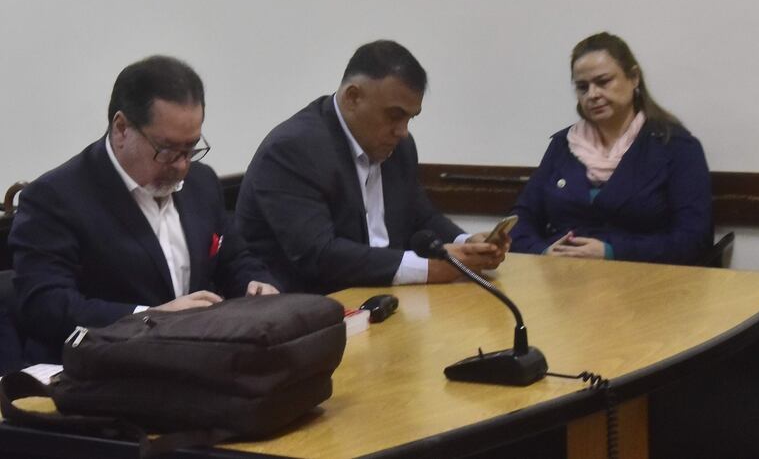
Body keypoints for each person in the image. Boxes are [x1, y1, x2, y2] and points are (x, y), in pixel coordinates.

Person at [9, 56, 278, 361]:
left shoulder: (201, 183)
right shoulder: (55, 198)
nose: (181, 166)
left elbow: (235, 259)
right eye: (167, 150)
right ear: (122, 128)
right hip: (103, 374)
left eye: (191, 149)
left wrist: (255, 285)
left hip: (201, 361)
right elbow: (45, 306)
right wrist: (150, 317)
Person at [235, 40, 509, 293]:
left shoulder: (399, 147)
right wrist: (428, 268)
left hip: (380, 298)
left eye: (410, 118)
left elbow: (421, 218)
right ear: (353, 97)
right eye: (394, 115)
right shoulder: (293, 150)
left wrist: (467, 244)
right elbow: (319, 256)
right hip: (306, 310)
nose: (402, 131)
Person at [509, 32, 712, 264]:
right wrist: (543, 251)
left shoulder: (675, 146)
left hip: (645, 282)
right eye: (582, 87)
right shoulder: (564, 144)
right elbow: (520, 218)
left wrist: (612, 251)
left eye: (603, 82)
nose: (593, 94)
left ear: (634, 77)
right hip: (562, 280)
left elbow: (694, 240)